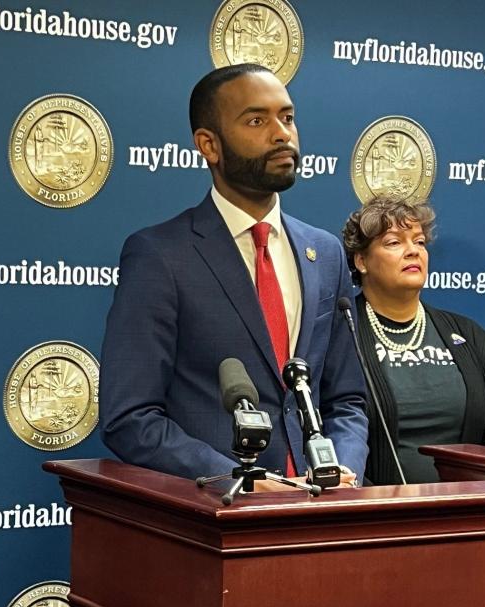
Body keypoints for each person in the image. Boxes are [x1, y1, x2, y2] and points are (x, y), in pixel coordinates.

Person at [100, 63, 368, 487]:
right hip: (222, 522)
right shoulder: (160, 255)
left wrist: (343, 468)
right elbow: (130, 417)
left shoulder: (327, 253)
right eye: (257, 120)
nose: (282, 133)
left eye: (288, 117)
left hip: (324, 515)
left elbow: (346, 398)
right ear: (209, 144)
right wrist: (237, 478)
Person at [342, 195, 485, 485]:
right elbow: (331, 427)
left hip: (465, 515)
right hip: (373, 518)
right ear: (361, 260)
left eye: (420, 241)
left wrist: (477, 494)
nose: (413, 251)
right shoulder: (341, 332)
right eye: (394, 242)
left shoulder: (466, 334)